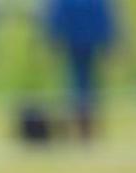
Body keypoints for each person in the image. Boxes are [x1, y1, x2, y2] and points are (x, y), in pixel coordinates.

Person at [42, 0, 119, 141]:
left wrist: (52, 39)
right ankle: (82, 126)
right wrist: (109, 42)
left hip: (76, 42)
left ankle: (79, 125)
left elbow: (56, 15)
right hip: (84, 42)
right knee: (84, 86)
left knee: (78, 85)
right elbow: (106, 17)